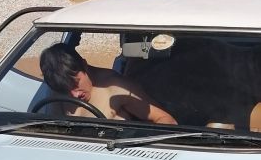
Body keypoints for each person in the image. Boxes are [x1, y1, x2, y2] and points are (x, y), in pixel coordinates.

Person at [39, 43, 177, 125]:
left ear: (84, 65)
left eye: (76, 84)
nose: (74, 95)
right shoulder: (57, 86)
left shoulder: (116, 87)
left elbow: (167, 120)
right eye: (65, 90)